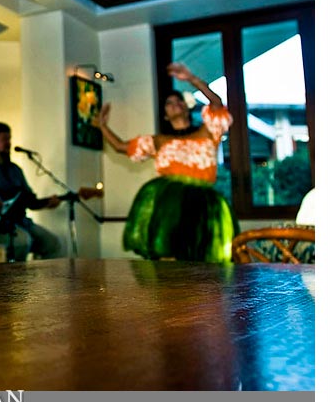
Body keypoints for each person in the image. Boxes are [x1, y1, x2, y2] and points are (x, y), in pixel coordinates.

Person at [93, 62, 239, 263]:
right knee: (169, 260)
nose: (174, 104)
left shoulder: (207, 132)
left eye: (178, 100)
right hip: (169, 206)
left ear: (187, 107)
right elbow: (120, 147)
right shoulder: (159, 141)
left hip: (202, 205)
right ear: (165, 114)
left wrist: (191, 78)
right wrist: (102, 126)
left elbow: (216, 103)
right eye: (169, 103)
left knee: (203, 263)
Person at [0, 122, 63, 261]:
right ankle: (11, 282)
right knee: (22, 241)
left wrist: (47, 203)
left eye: (10, 139)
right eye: (4, 139)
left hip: (19, 223)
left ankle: (39, 281)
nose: (9, 143)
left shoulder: (15, 170)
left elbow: (29, 201)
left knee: (52, 243)